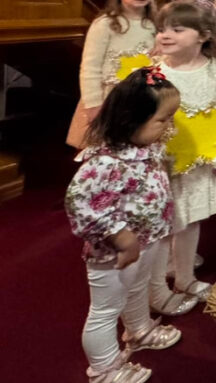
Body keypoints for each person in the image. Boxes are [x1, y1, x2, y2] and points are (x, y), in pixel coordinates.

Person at [66, 68, 183, 383]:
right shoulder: (106, 163)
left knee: (138, 288)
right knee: (105, 310)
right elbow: (81, 206)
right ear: (131, 119)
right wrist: (120, 236)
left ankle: (139, 331)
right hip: (115, 251)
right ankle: (103, 370)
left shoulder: (143, 150)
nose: (168, 125)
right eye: (162, 119)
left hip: (146, 240)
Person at [149, 0, 216, 315]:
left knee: (190, 221)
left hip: (201, 164)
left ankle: (185, 277)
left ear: (203, 34)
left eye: (177, 29)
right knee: (161, 227)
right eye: (162, 29)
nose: (165, 35)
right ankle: (158, 289)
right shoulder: (149, 74)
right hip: (158, 166)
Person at [68, 0, 158, 149]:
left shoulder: (153, 25)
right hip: (109, 97)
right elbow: (90, 67)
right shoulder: (105, 24)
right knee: (107, 149)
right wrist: (93, 104)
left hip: (142, 96)